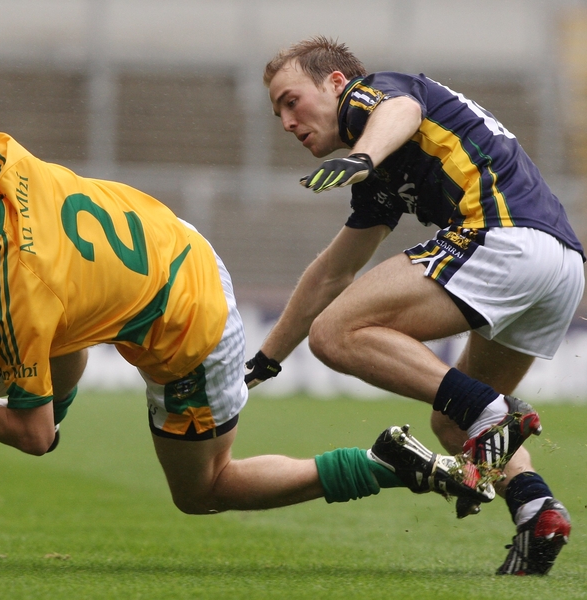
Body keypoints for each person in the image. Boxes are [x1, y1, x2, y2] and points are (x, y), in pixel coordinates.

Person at [0, 131, 493, 535]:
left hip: (191, 329)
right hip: (173, 243)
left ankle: (383, 465)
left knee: (204, 489)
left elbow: (33, 437)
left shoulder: (22, 298)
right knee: (66, 327)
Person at [246, 36, 584, 576]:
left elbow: (401, 109)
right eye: (278, 113)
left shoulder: (372, 96)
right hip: (560, 265)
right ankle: (536, 509)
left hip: (503, 236)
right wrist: (265, 359)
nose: (287, 122)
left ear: (336, 83)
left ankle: (493, 412)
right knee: (451, 422)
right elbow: (333, 271)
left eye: (292, 101)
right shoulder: (379, 171)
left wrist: (361, 157)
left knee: (335, 334)